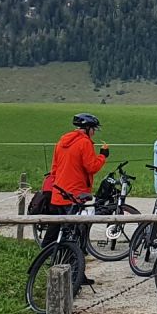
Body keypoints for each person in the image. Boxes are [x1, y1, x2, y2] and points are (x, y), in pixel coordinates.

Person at [47, 112, 109, 286]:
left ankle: (58, 266)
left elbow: (54, 169)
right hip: (75, 196)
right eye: (93, 130)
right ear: (88, 129)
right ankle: (75, 275)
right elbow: (92, 166)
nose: (94, 133)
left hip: (59, 194)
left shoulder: (61, 142)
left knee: (59, 233)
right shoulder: (84, 143)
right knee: (77, 235)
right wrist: (103, 155)